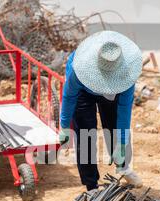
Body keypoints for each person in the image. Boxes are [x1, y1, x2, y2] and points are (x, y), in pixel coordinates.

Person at [59, 31, 143, 191]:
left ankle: (123, 167)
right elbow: (68, 98)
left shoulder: (126, 77)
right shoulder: (78, 70)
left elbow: (124, 113)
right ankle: (91, 185)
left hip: (113, 91)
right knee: (85, 134)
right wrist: (64, 126)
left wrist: (122, 143)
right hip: (83, 92)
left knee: (113, 127)